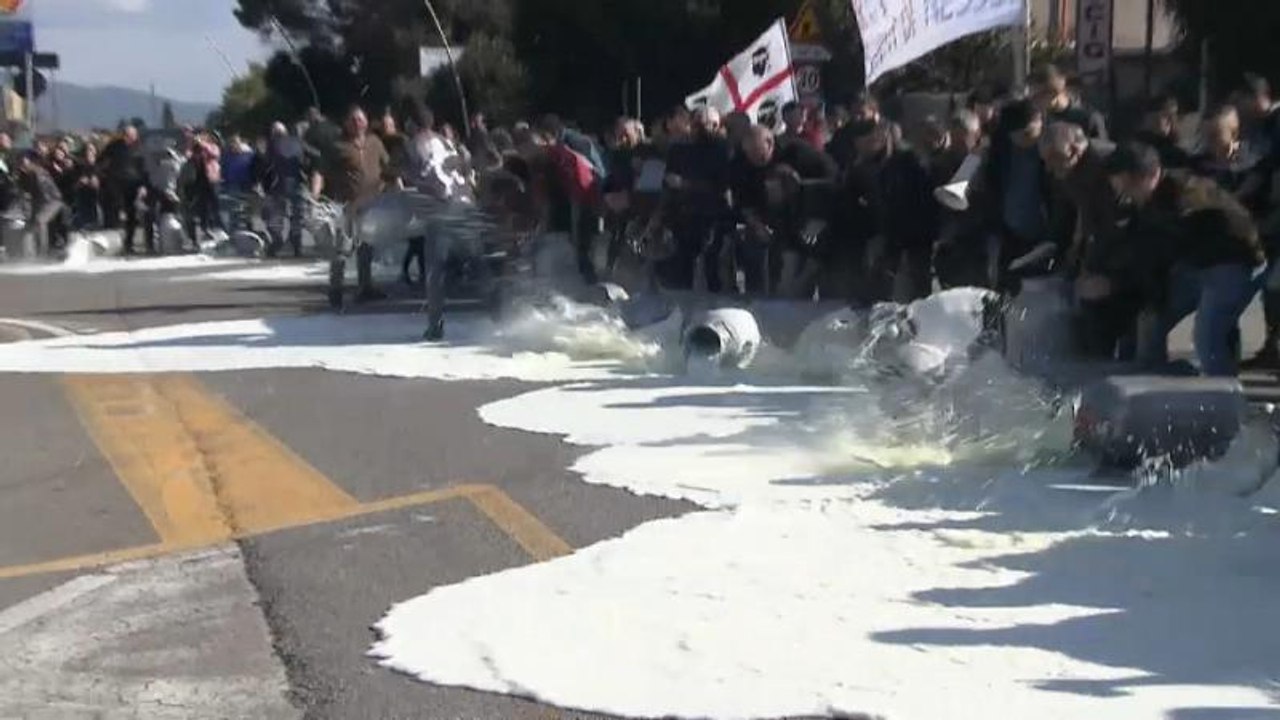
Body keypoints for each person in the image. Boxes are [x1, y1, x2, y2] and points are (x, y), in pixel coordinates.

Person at [1107, 142, 1267, 376]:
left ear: (1150, 175)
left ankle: (1221, 396)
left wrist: (1155, 293)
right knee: (1151, 321)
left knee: (1208, 335)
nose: (1125, 197)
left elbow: (1162, 251)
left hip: (1231, 262)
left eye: (1128, 189)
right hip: (1195, 263)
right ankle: (1154, 382)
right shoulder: (1148, 201)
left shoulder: (1184, 197)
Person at [313, 105, 395, 305]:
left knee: (367, 247)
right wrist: (315, 194)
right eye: (354, 120)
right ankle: (336, 289)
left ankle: (365, 286)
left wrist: (396, 188)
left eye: (361, 119)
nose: (358, 123)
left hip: (373, 203)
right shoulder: (337, 146)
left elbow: (389, 168)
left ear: (366, 122)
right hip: (346, 205)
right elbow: (320, 171)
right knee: (342, 248)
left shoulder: (375, 142)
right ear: (346, 123)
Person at [968, 99, 1053, 293]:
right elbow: (993, 183)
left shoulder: (1051, 147)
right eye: (1014, 136)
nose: (1021, 140)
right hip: (1009, 232)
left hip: (1043, 235)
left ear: (1040, 121)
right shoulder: (1002, 147)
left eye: (1027, 133)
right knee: (1005, 290)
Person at [97, 125, 147, 253]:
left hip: (133, 185)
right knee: (115, 213)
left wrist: (143, 185)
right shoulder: (114, 146)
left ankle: (129, 243)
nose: (130, 138)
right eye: (128, 135)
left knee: (131, 215)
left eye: (132, 135)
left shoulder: (140, 148)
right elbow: (101, 160)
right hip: (116, 184)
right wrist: (103, 175)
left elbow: (144, 169)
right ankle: (112, 242)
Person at [262, 122, 308, 258]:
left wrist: (264, 184)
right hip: (297, 184)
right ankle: (296, 244)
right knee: (297, 217)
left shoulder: (272, 145)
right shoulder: (298, 143)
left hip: (278, 185)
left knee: (276, 216)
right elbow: (307, 160)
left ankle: (277, 241)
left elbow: (266, 165)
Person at [1030, 64, 1109, 141]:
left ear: (1054, 93)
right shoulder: (1039, 118)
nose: (1033, 99)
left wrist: (1083, 145)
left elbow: (1104, 149)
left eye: (1037, 95)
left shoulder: (1089, 117)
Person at [17, 151, 64, 258]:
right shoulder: (23, 175)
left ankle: (43, 252)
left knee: (40, 220)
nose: (22, 165)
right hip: (38, 202)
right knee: (29, 226)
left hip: (52, 201)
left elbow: (44, 194)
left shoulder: (39, 173)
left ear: (31, 163)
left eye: (24, 163)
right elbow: (24, 192)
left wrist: (34, 209)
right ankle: (28, 255)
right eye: (21, 163)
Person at [1133, 94, 1190, 170]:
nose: (1171, 121)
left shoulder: (1173, 148)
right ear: (1149, 118)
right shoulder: (1139, 146)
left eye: (1174, 115)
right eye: (1165, 115)